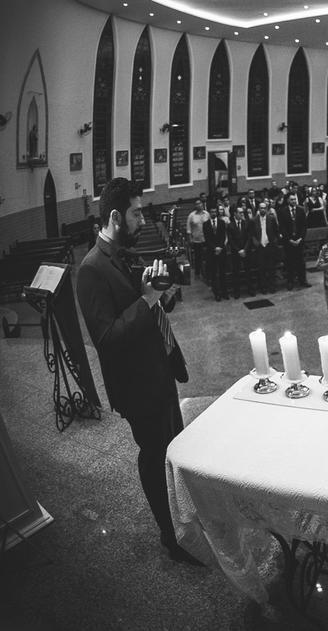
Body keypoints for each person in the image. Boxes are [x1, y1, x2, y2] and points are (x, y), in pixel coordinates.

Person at [76, 178, 202, 567]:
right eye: (136, 213)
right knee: (155, 458)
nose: (143, 220)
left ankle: (184, 521)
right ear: (115, 217)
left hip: (160, 372)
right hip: (138, 386)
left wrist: (162, 294)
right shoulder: (91, 269)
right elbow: (107, 338)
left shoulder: (124, 255)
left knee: (174, 450)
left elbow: (147, 305)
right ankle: (172, 537)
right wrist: (147, 299)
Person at [279, 192, 310, 289]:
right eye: (292, 199)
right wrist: (289, 239)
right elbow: (282, 228)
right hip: (288, 241)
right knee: (289, 262)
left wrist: (300, 238)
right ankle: (290, 281)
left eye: (294, 199)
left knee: (300, 261)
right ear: (288, 200)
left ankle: (302, 280)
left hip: (299, 240)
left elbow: (304, 226)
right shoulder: (283, 211)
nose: (293, 201)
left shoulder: (301, 210)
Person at [249, 202, 280, 294]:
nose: (263, 210)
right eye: (261, 208)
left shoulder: (271, 218)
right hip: (260, 247)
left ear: (267, 209)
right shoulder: (253, 220)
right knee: (261, 268)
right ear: (258, 209)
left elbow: (276, 232)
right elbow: (251, 234)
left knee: (271, 267)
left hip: (269, 245)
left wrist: (274, 243)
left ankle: (272, 286)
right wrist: (256, 244)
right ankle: (263, 287)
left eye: (264, 208)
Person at [203, 206, 230, 301]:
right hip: (212, 252)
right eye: (212, 212)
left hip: (221, 250)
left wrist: (220, 247)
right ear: (209, 213)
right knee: (213, 273)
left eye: (215, 211)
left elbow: (223, 236)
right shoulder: (205, 224)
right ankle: (216, 293)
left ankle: (224, 292)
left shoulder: (222, 222)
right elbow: (207, 239)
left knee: (223, 272)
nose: (213, 213)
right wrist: (215, 248)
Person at [227, 205, 253, 298]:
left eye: (243, 212)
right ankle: (236, 291)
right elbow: (231, 241)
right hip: (236, 252)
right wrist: (239, 250)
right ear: (235, 214)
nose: (242, 214)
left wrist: (244, 249)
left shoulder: (247, 223)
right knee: (236, 272)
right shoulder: (230, 225)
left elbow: (249, 237)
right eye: (240, 212)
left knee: (248, 271)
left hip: (246, 251)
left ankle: (250, 289)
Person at [186, 198, 210, 283]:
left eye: (200, 203)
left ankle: (207, 273)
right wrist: (190, 238)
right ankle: (197, 273)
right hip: (197, 239)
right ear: (195, 206)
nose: (199, 205)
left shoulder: (207, 214)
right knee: (198, 257)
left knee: (207, 256)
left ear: (202, 204)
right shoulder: (191, 215)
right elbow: (188, 228)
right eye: (197, 204)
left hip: (206, 239)